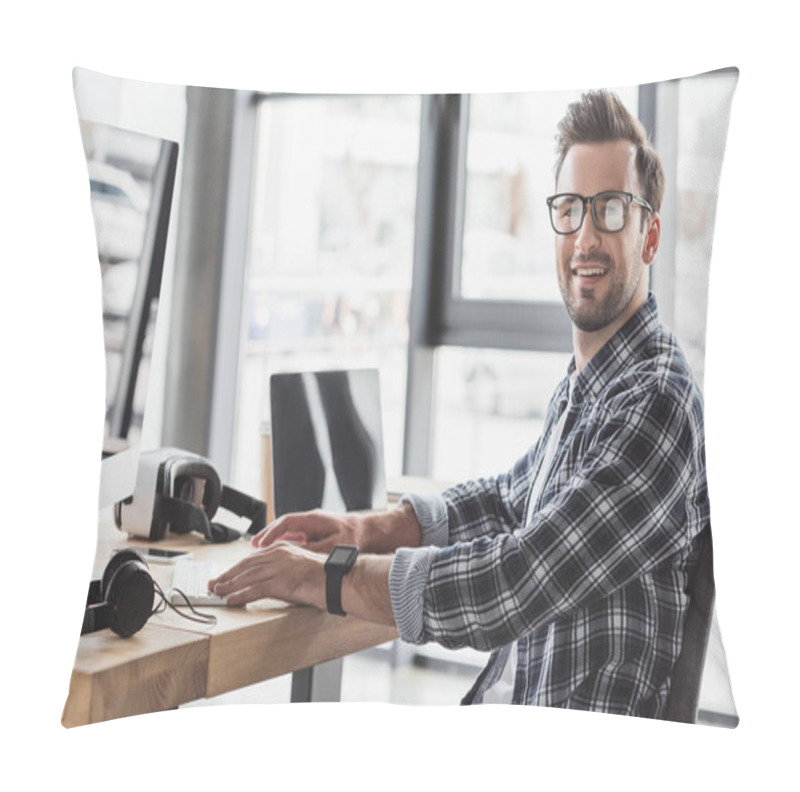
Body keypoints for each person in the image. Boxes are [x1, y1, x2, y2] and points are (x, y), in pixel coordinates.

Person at [209, 90, 711, 718]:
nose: (585, 236)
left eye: (611, 210)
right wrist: (362, 530)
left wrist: (321, 576)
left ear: (650, 235)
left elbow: (516, 582)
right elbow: (507, 500)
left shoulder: (655, 398)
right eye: (571, 209)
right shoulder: (593, 383)